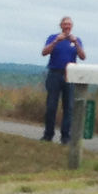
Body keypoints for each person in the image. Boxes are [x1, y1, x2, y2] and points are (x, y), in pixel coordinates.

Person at [41, 16, 86, 144]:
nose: (67, 26)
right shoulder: (53, 37)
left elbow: (83, 56)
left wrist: (76, 43)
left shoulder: (76, 40)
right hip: (55, 73)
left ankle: (65, 136)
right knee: (51, 106)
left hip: (70, 75)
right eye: (65, 24)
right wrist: (56, 41)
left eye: (69, 24)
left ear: (72, 26)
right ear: (61, 25)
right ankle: (48, 134)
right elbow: (44, 52)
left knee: (69, 107)